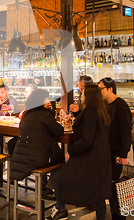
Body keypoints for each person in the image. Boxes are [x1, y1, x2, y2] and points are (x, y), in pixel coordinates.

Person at [48, 83, 112, 220]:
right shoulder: (100, 111)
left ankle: (61, 208)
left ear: (88, 96)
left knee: (59, 177)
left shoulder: (91, 114)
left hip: (89, 160)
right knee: (99, 192)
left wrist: (70, 150)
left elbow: (86, 141)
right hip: (100, 159)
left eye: (82, 93)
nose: (80, 96)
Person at [10, 89, 63, 199]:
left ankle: (43, 187)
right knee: (61, 159)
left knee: (42, 152)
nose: (49, 101)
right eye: (47, 99)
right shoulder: (44, 114)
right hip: (36, 159)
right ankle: (49, 187)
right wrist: (51, 112)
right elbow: (58, 130)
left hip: (21, 158)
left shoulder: (26, 113)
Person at [98, 78, 132, 220]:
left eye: (101, 88)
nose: (99, 91)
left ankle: (119, 216)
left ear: (110, 89)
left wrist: (124, 154)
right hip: (107, 152)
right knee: (110, 186)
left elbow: (126, 131)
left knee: (117, 188)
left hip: (116, 153)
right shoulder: (105, 105)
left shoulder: (121, 105)